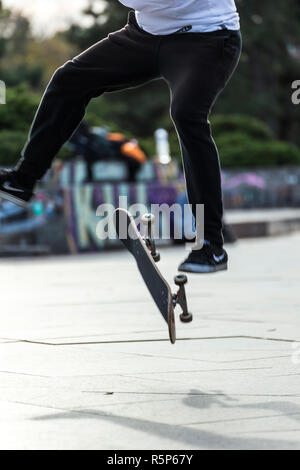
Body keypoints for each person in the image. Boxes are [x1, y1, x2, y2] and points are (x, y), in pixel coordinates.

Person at [0, 0, 242, 273]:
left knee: (187, 114)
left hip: (207, 37)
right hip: (145, 36)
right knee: (69, 81)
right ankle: (23, 180)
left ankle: (210, 243)